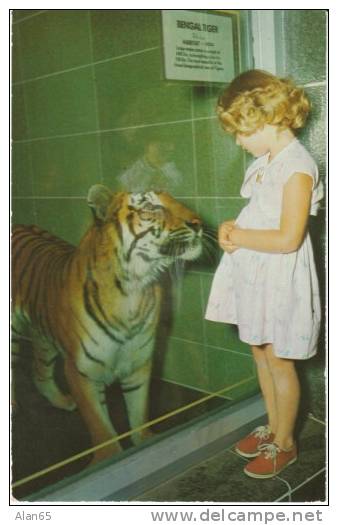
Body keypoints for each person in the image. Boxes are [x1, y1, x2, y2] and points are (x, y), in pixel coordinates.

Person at [205, 70, 324, 479]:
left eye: (241, 131)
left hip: (280, 276)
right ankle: (273, 427)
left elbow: (289, 238)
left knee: (279, 360)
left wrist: (241, 235)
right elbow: (257, 215)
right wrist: (230, 229)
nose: (238, 141)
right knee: (260, 351)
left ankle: (286, 443)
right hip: (259, 273)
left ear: (269, 118)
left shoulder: (298, 169)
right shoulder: (265, 162)